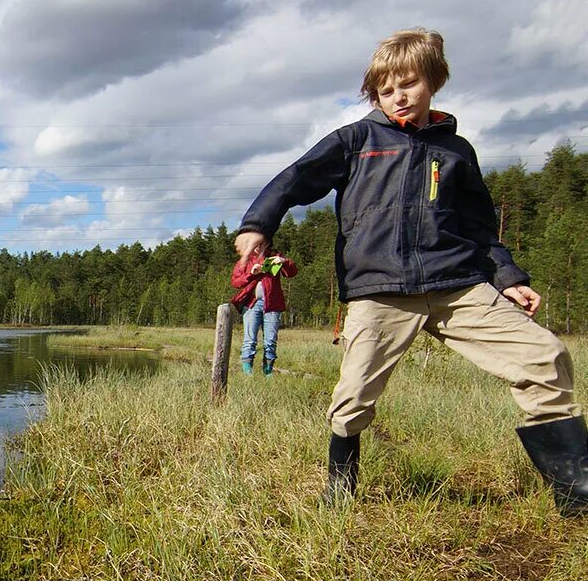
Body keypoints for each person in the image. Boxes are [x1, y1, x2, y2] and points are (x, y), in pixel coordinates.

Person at [233, 27, 587, 515]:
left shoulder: (457, 151)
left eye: (409, 84)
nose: (398, 97)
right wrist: (257, 226)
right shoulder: (357, 140)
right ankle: (340, 488)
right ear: (374, 93)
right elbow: (294, 179)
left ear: (433, 81)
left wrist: (510, 278)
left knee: (546, 358)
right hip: (380, 290)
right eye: (385, 90)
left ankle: (576, 496)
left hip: (457, 285)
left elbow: (482, 227)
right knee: (353, 399)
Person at [230, 240, 298, 376]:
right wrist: (251, 273)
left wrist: (283, 261)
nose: (257, 247)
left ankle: (268, 372)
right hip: (252, 304)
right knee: (249, 340)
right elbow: (235, 282)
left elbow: (292, 272)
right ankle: (247, 372)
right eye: (255, 244)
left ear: (267, 244)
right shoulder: (245, 260)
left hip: (272, 304)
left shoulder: (274, 257)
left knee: (271, 340)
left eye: (261, 244)